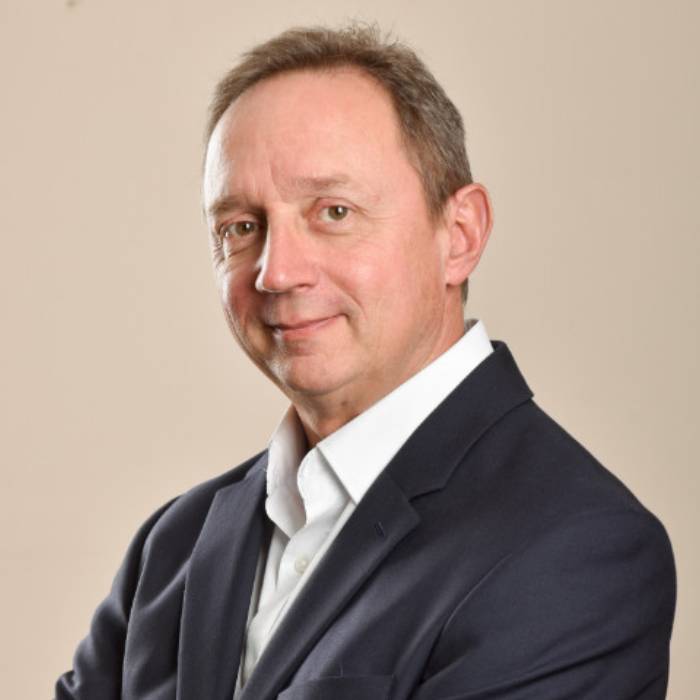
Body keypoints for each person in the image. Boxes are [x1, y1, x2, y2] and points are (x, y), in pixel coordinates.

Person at [55, 24, 676, 700]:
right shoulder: (172, 543)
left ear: (459, 236)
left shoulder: (574, 548)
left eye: (334, 212)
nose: (276, 272)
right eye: (241, 227)